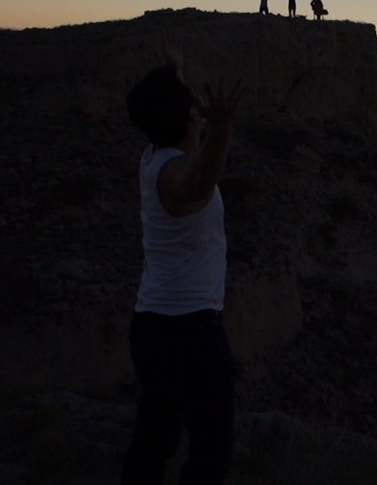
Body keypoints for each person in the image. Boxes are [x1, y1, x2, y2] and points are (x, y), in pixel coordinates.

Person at [122, 55, 244, 485]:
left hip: (154, 325)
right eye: (193, 103)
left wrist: (176, 65)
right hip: (188, 330)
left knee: (154, 441)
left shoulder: (152, 156)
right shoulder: (173, 174)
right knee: (211, 451)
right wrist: (224, 128)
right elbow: (197, 183)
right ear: (191, 117)